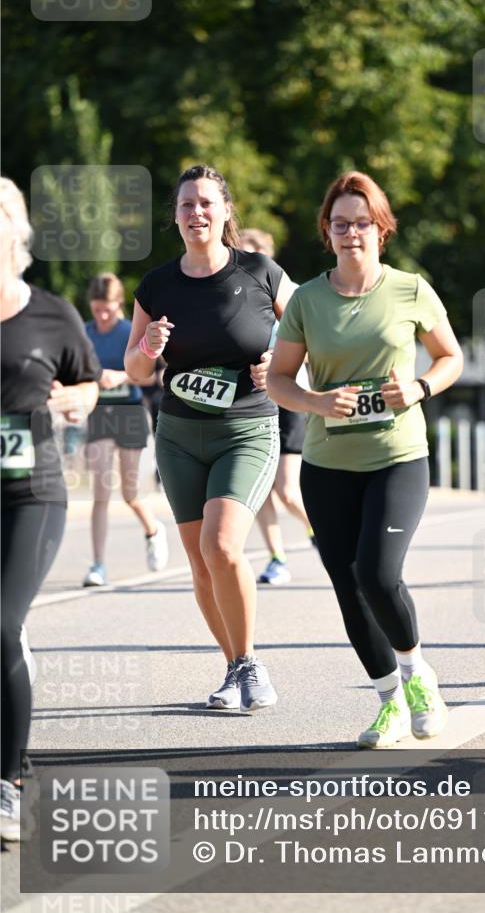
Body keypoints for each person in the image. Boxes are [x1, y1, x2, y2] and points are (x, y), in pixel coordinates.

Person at [268, 171, 463, 748]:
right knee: (347, 584)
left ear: (381, 229)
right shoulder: (307, 298)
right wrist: (315, 401)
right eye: (339, 223)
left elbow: (450, 357)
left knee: (379, 573)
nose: (350, 232)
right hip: (327, 463)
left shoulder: (411, 290)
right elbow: (279, 379)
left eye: (361, 222)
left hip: (398, 455)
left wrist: (423, 388)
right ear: (327, 233)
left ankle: (417, 674)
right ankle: (389, 703)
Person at [124, 165, 293, 712]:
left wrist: (285, 366)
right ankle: (232, 667)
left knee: (221, 545)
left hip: (246, 429)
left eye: (205, 203)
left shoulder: (261, 273)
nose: (196, 213)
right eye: (185, 205)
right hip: (177, 434)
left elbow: (311, 333)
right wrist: (149, 345)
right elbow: (134, 369)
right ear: (174, 217)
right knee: (200, 562)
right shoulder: (157, 284)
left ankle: (251, 664)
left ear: (225, 211)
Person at [1, 177, 100, 842]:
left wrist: (74, 401)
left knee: (1, 623)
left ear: (16, 233)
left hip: (30, 492)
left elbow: (89, 383)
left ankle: (8, 783)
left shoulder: (50, 313)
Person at [239, 227, 316, 586]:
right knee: (262, 490)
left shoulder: (293, 296)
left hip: (289, 398)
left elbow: (313, 347)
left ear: (266, 257)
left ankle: (322, 531)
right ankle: (277, 558)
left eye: (249, 252)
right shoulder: (234, 297)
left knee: (286, 489)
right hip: (252, 400)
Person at [82, 273, 168, 587]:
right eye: (97, 309)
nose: (102, 316)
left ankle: (153, 530)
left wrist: (120, 376)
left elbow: (151, 378)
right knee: (100, 491)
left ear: (119, 304)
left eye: (108, 309)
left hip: (130, 412)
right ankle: (97, 564)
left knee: (130, 492)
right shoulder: (84, 332)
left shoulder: (127, 331)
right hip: (99, 413)